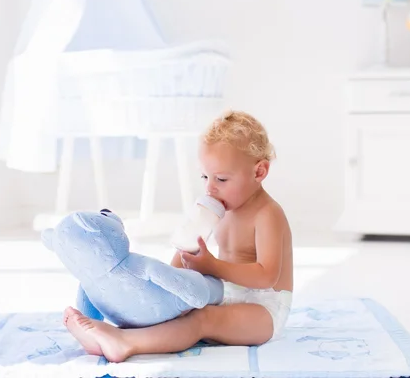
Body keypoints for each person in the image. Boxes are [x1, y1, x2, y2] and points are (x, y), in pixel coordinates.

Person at [63, 110, 293, 363]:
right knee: (180, 309)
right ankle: (124, 332)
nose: (210, 187)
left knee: (203, 320)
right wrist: (170, 286)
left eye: (222, 179)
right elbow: (192, 255)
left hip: (264, 311)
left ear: (259, 172)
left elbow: (266, 276)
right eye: (205, 176)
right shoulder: (225, 207)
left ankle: (125, 343)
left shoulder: (267, 214)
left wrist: (213, 266)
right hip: (228, 294)